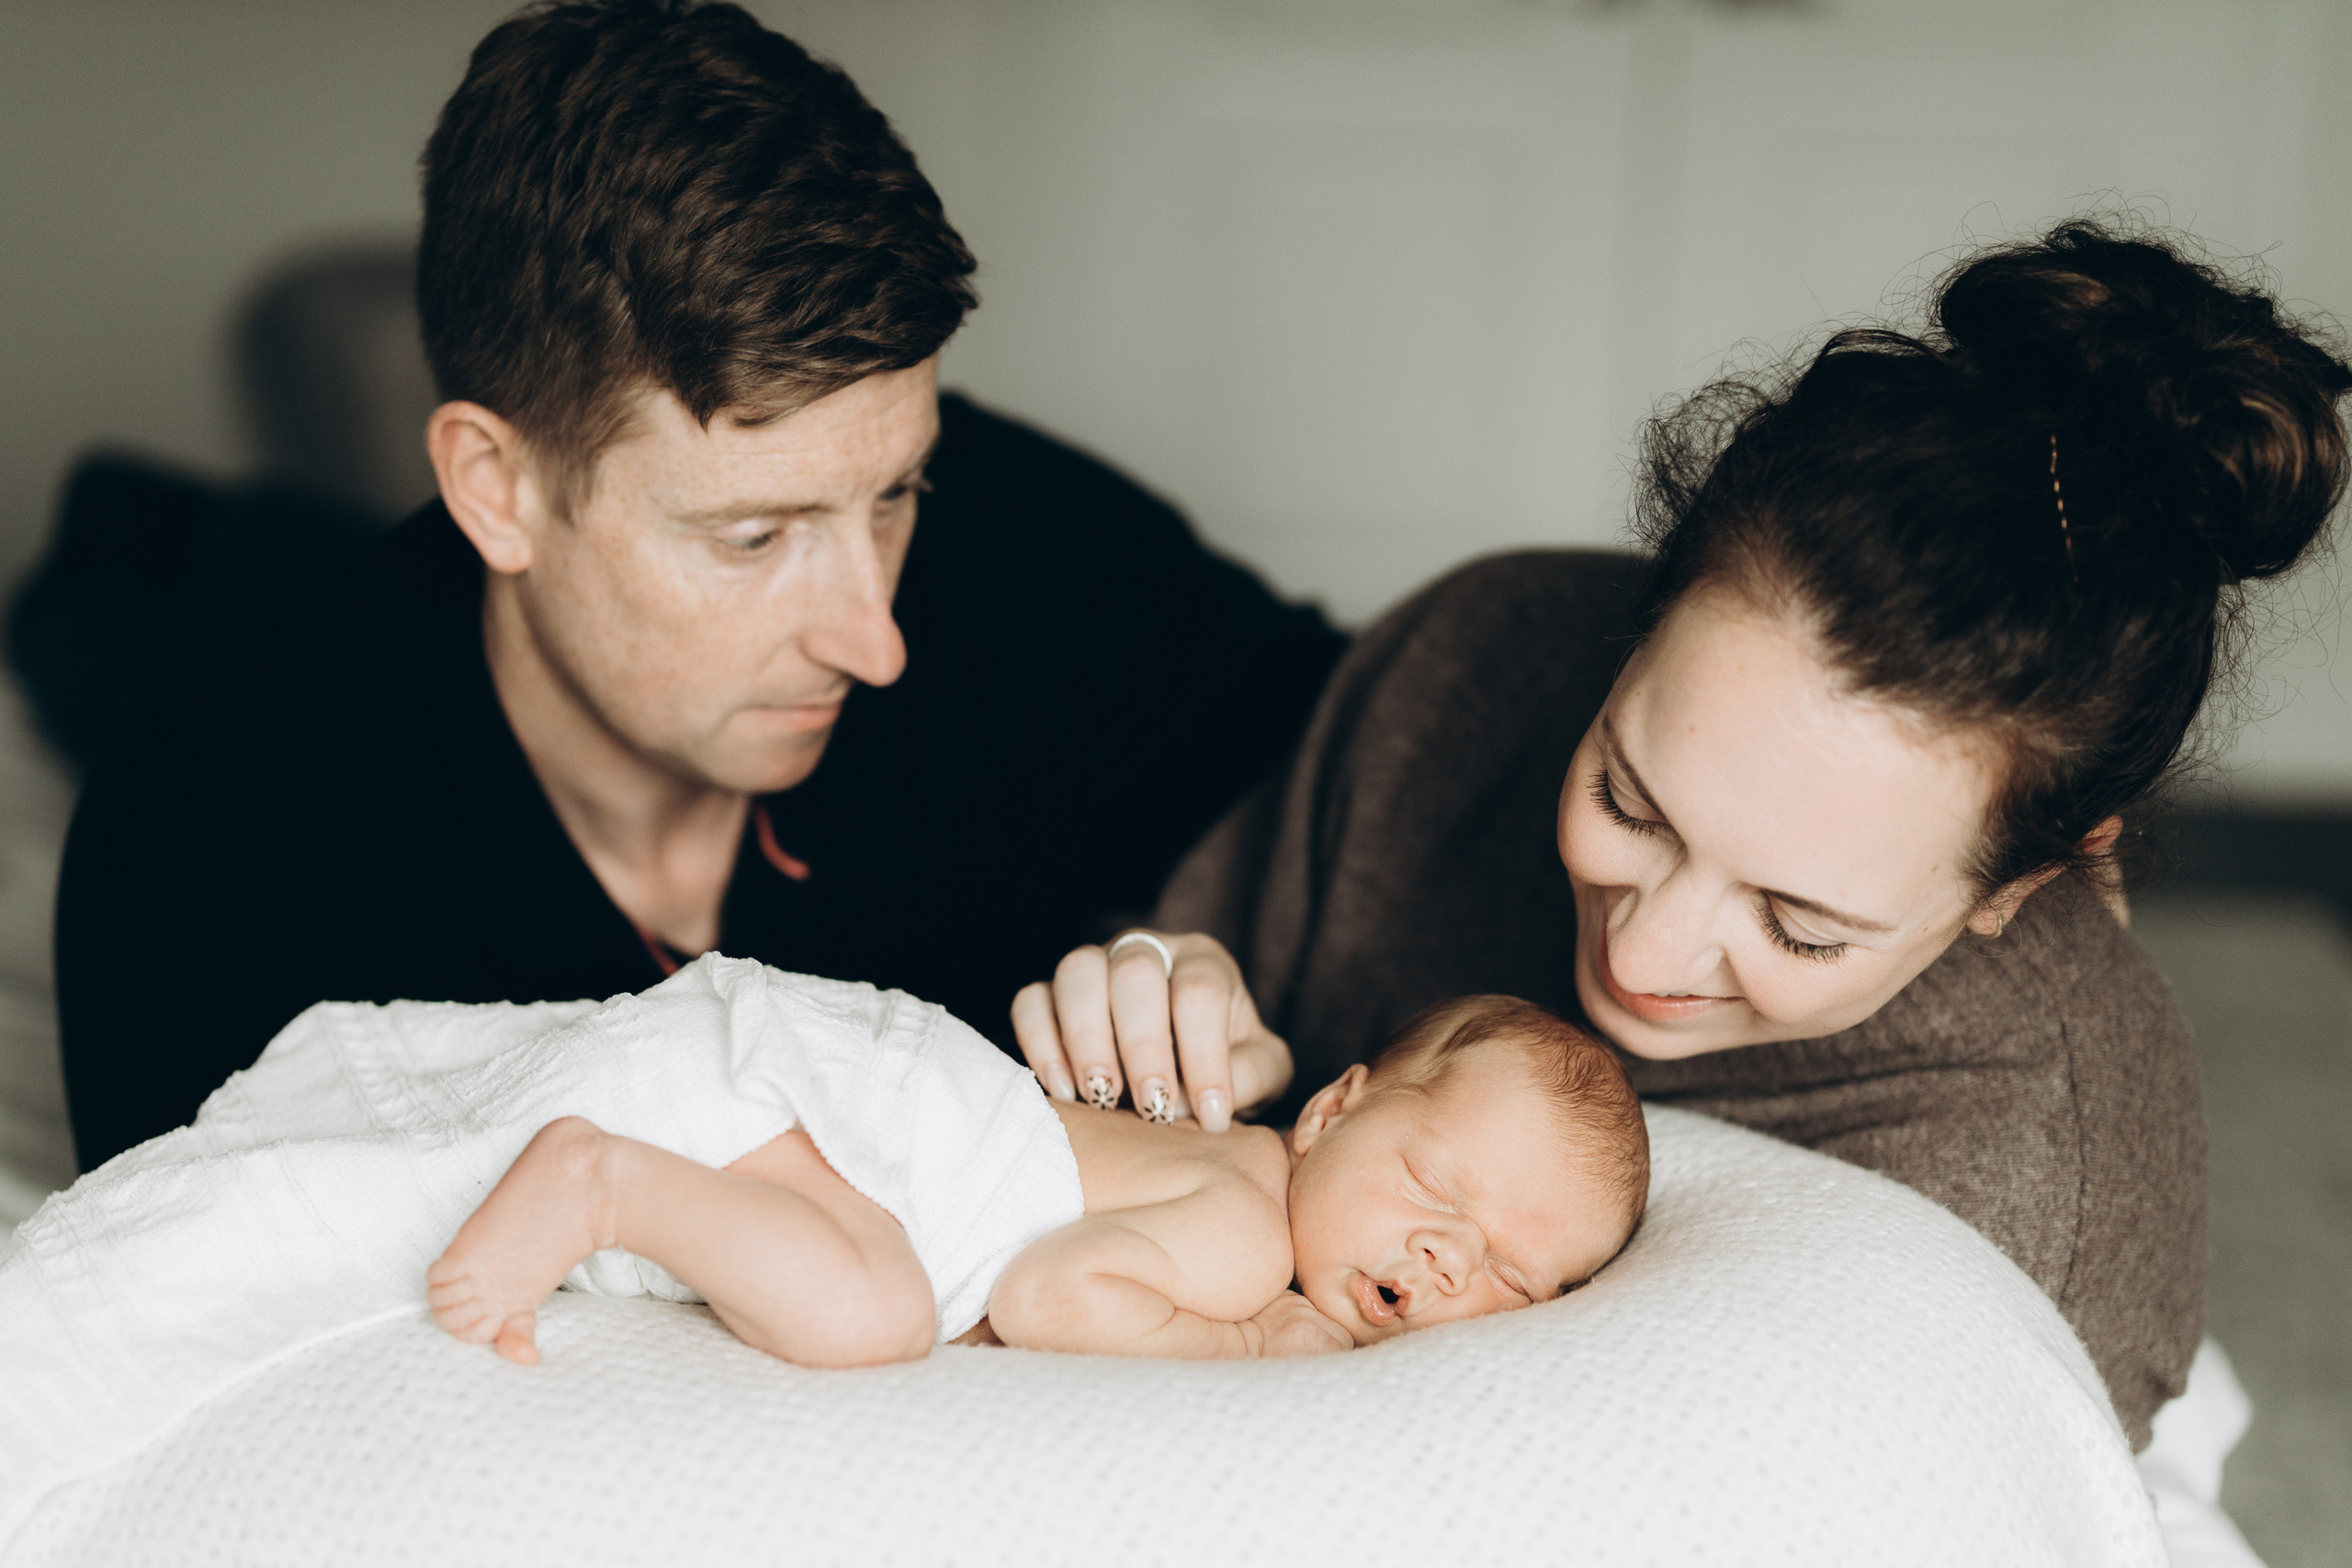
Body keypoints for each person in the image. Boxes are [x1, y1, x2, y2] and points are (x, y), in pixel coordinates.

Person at [1011, 220, 2352, 1448]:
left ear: (2030, 879)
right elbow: (1161, 1167)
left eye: (1798, 924)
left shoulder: (2038, 1191)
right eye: (1628, 802)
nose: (1644, 952)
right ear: (1635, 633)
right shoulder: (1472, 672)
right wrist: (1172, 1036)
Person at [51, 0, 1343, 1170]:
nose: (876, 642)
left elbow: (1375, 763)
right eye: (752, 538)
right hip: (266, 655)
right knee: (104, 625)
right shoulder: (211, 849)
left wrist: (1214, 975)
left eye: (895, 496)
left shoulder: (1020, 540)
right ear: (493, 488)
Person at [427, 989, 1648, 1366]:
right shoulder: (1247, 1232)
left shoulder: (1238, 1181)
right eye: (1437, 1192)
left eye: (1510, 1274)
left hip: (833, 1083)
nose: (1446, 1255)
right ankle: (604, 1185)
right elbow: (1053, 1294)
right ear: (1331, 1111)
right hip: (846, 1116)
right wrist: (1243, 1349)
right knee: (876, 1311)